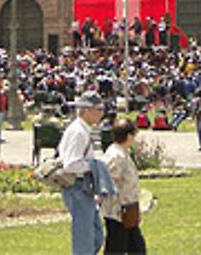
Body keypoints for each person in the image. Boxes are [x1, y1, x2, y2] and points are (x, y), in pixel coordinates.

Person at [58, 91, 108, 255]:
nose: (102, 113)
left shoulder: (83, 129)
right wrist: (95, 165)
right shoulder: (78, 132)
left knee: (96, 236)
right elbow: (71, 164)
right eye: (98, 109)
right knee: (84, 240)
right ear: (87, 110)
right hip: (77, 187)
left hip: (84, 187)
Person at [101, 119, 147, 254]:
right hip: (119, 212)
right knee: (117, 248)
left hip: (128, 210)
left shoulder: (121, 152)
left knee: (137, 248)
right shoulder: (117, 156)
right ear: (128, 136)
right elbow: (109, 182)